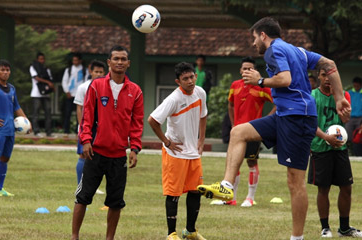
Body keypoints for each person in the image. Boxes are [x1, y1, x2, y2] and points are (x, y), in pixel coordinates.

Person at [197, 17, 351, 240]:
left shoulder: (273, 50)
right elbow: (329, 65)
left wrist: (260, 81)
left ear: (263, 35)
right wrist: (339, 97)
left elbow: (285, 79)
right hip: (284, 115)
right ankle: (227, 186)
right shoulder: (297, 50)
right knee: (238, 132)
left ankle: (297, 238)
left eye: (253, 38)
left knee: (295, 182)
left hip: (298, 118)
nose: (253, 44)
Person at [71, 45, 144, 240]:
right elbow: (87, 116)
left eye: (123, 59)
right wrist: (86, 140)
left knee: (115, 201)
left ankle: (109, 238)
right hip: (95, 152)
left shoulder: (135, 91)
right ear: (109, 62)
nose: (120, 62)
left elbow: (137, 123)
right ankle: (74, 236)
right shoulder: (96, 86)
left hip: (119, 154)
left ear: (128, 63)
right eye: (116, 59)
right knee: (83, 196)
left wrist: (135, 148)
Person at [148, 62, 208, 240]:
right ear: (178, 81)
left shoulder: (200, 93)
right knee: (173, 194)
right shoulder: (173, 99)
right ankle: (171, 234)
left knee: (196, 191)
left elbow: (203, 115)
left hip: (193, 153)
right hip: (176, 153)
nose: (190, 81)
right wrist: (166, 141)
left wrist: (201, 139)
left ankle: (190, 231)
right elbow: (152, 120)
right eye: (185, 79)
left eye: (192, 77)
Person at [308, 68, 362, 238]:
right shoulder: (311, 96)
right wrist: (325, 137)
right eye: (324, 75)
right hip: (320, 147)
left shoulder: (344, 95)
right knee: (323, 189)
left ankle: (344, 228)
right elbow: (309, 123)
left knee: (346, 188)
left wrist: (335, 96)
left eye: (330, 76)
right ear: (318, 76)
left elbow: (346, 120)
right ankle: (325, 228)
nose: (327, 79)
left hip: (339, 148)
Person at [214, 57, 275, 207]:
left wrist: (267, 120)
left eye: (250, 68)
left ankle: (250, 197)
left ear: (255, 71)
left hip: (254, 131)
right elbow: (230, 105)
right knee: (233, 163)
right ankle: (230, 198)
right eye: (244, 68)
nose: (247, 71)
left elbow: (278, 103)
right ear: (240, 70)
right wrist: (234, 123)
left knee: (251, 162)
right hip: (237, 132)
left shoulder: (261, 87)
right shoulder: (235, 86)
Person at [0, 59, 31, 197]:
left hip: (11, 129)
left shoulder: (11, 88)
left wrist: (26, 121)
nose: (5, 72)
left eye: (7, 70)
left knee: (5, 158)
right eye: (2, 70)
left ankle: (0, 188)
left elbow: (16, 106)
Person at [73, 59, 106, 195]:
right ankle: (80, 185)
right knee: (83, 155)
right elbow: (79, 108)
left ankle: (92, 185)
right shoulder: (83, 87)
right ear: (90, 72)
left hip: (101, 129)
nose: (98, 74)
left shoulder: (106, 87)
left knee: (96, 157)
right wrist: (82, 128)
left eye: (101, 72)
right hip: (86, 128)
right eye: (96, 72)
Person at [30, 52, 54, 137]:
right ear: (37, 59)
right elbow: (36, 78)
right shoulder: (33, 67)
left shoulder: (47, 69)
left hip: (46, 94)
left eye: (43, 59)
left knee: (48, 113)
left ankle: (49, 132)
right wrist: (47, 82)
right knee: (36, 113)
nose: (42, 61)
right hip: (36, 94)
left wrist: (51, 86)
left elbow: (51, 79)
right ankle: (36, 131)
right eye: (40, 59)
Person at [62, 53, 86, 134]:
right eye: (73, 60)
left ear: (80, 61)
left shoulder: (84, 70)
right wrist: (67, 91)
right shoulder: (68, 70)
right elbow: (64, 81)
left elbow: (85, 82)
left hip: (80, 95)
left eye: (76, 60)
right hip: (70, 94)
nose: (74, 62)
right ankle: (66, 131)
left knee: (79, 114)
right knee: (67, 113)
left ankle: (78, 131)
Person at [345, 77, 362, 156]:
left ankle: (358, 154)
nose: (356, 86)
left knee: (358, 137)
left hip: (360, 118)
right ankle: (348, 152)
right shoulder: (349, 93)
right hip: (350, 117)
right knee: (347, 136)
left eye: (358, 84)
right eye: (355, 84)